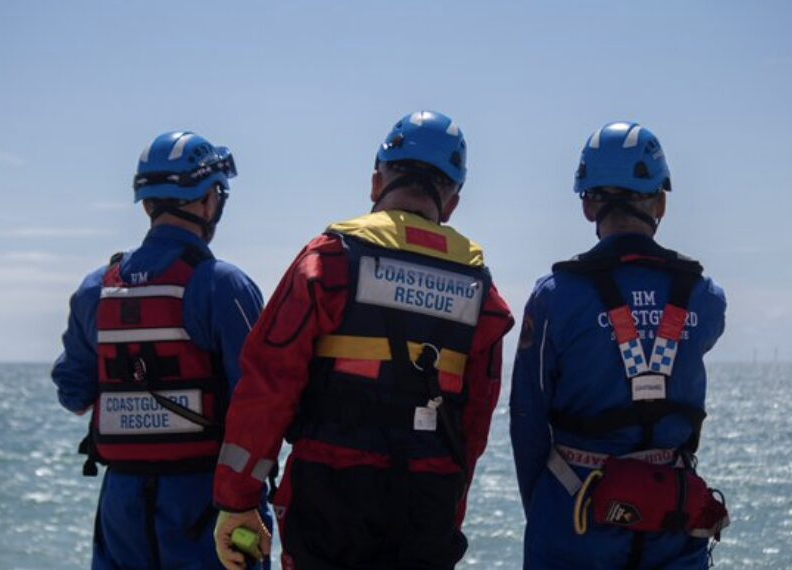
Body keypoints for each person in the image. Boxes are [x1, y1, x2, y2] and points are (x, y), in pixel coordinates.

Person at [213, 110, 514, 570]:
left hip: (330, 496)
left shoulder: (328, 261)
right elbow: (474, 422)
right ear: (451, 202)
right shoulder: (481, 293)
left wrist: (237, 500)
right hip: (426, 504)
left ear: (377, 181)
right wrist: (451, 507)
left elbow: (268, 385)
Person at [510, 121, 729, 569]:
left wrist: (546, 509)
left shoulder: (555, 296)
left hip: (576, 516)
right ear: (661, 202)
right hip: (673, 518)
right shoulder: (705, 297)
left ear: (589, 205)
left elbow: (526, 416)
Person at [51, 131, 271, 569]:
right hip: (211, 500)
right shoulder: (224, 286)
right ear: (210, 200)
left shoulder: (97, 288)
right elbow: (261, 402)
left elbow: (72, 395)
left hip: (122, 503)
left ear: (148, 203)